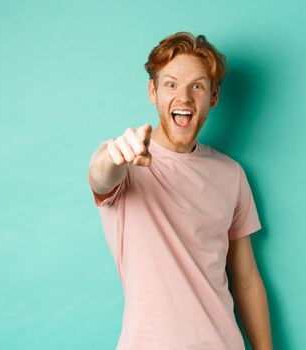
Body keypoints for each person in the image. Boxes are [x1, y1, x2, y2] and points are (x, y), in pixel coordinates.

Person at [88, 32, 272, 350]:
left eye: (197, 86)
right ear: (153, 91)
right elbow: (101, 177)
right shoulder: (125, 159)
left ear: (213, 96)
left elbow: (246, 279)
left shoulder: (231, 174)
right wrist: (113, 157)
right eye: (171, 84)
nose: (184, 98)